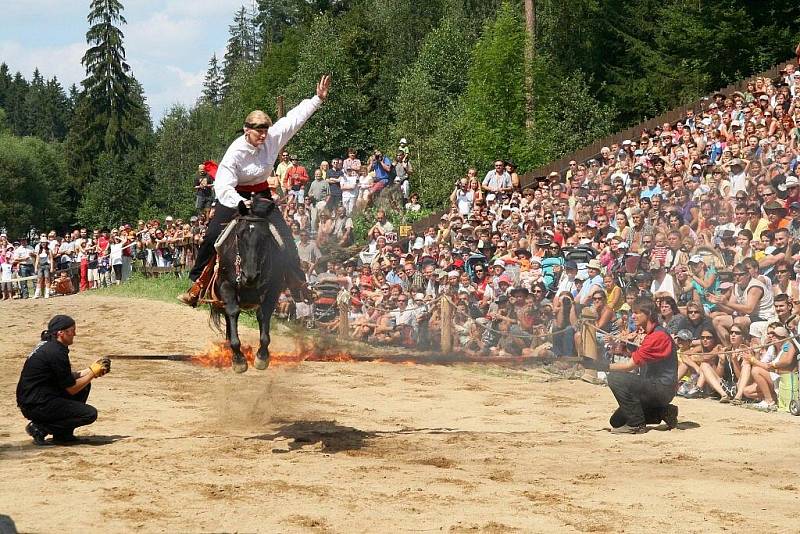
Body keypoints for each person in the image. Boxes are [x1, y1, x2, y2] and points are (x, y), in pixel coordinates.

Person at [178, 75, 331, 306]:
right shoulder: (235, 152)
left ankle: (299, 284)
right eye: (258, 130)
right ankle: (197, 284)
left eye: (265, 130)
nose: (263, 134)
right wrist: (241, 202)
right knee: (212, 237)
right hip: (233, 196)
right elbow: (222, 185)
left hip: (261, 195)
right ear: (246, 130)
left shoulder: (272, 138)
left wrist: (317, 99)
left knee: (286, 239)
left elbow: (294, 119)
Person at [586, 297, 678, 434]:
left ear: (648, 314)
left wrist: (600, 366)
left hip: (662, 388)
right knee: (616, 422)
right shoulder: (651, 334)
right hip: (653, 386)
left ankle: (636, 424)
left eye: (637, 312)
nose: (633, 316)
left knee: (615, 378)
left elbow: (630, 366)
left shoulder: (657, 336)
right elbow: (638, 356)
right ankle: (663, 411)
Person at [16, 315, 110, 445]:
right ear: (61, 332)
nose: (75, 334)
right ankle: (41, 428)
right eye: (72, 330)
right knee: (89, 414)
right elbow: (71, 389)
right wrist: (93, 374)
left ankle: (63, 434)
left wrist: (89, 370)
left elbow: (64, 376)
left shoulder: (49, 345)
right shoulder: (56, 352)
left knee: (85, 385)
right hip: (36, 404)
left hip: (35, 397)